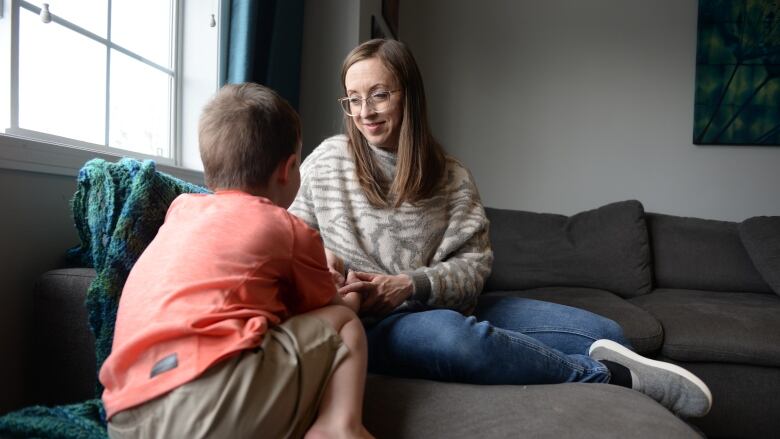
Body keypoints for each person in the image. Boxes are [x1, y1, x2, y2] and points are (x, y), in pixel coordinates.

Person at [289, 38, 712, 418]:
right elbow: (288, 239)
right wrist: (325, 264)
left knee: (607, 331)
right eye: (354, 99)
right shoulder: (327, 163)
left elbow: (474, 268)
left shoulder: (451, 176)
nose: (365, 112)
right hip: (372, 324)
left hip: (443, 304)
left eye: (379, 95)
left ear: (410, 96)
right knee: (454, 340)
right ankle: (610, 378)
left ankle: (597, 357)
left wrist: (409, 284)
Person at [99, 83, 373, 439]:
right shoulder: (286, 227)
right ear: (288, 169)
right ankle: (339, 427)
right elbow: (329, 305)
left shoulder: (180, 212)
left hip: (123, 415)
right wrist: (353, 298)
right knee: (343, 322)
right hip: (209, 407)